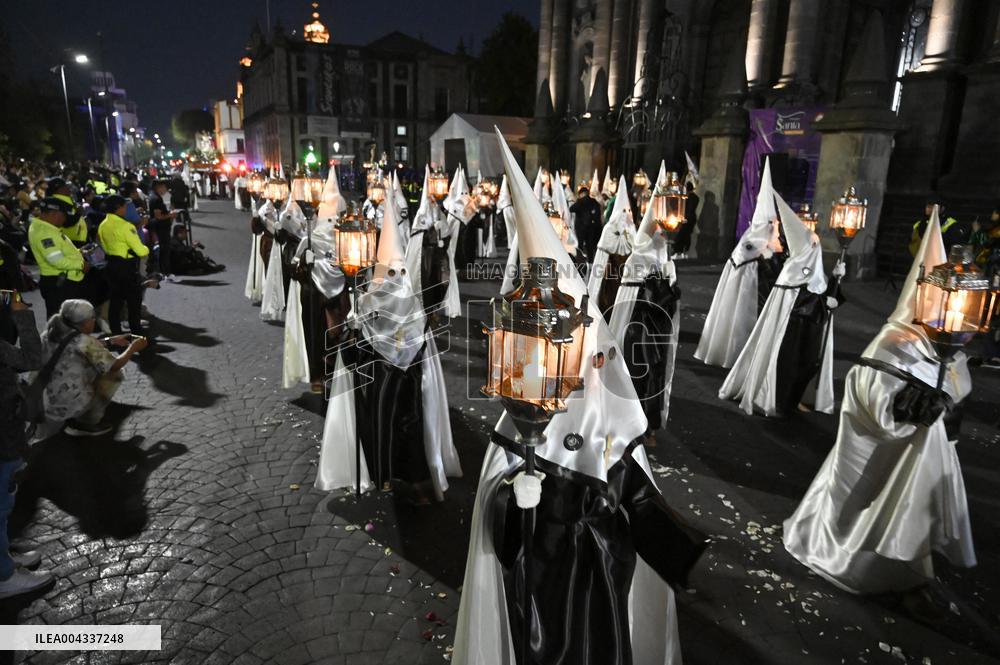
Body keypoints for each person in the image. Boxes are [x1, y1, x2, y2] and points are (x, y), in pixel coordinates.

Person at [453, 133, 706, 665]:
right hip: (546, 584)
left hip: (605, 573)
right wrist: (510, 494)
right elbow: (500, 539)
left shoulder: (607, 405)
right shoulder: (519, 414)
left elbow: (634, 490)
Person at [783, 210, 975, 596]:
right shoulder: (894, 341)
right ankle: (849, 558)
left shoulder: (944, 350)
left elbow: (957, 390)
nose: (948, 312)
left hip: (910, 461)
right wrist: (912, 411)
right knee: (856, 505)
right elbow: (872, 401)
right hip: (868, 458)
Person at [315, 196, 461, 503]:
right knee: (385, 425)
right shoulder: (372, 304)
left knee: (409, 430)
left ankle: (407, 478)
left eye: (399, 274)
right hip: (382, 386)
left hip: (407, 391)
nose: (394, 281)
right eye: (388, 274)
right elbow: (353, 344)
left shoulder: (398, 308)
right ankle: (385, 475)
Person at [719, 194, 843, 418]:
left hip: (809, 330)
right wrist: (825, 301)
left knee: (808, 365)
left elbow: (820, 293)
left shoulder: (811, 269)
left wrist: (834, 280)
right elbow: (799, 301)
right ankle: (783, 402)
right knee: (790, 367)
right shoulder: (794, 269)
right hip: (791, 333)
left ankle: (795, 399)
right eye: (813, 244)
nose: (817, 247)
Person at [609, 170, 681, 445]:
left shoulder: (664, 254)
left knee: (655, 372)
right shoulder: (638, 256)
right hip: (639, 328)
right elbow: (638, 295)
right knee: (640, 371)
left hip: (658, 327)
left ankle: (647, 424)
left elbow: (668, 289)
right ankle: (632, 422)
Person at [694, 158, 779, 368]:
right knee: (741, 323)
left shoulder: (760, 239)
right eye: (772, 223)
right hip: (750, 294)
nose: (775, 226)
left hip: (759, 291)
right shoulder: (752, 241)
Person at [0, 293, 53, 599]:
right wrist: (22, 315)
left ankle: (4, 560)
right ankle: (5, 577)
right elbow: (32, 359)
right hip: (2, 435)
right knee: (1, 503)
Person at [40, 299, 146, 436]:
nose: (94, 320)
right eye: (92, 318)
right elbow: (114, 365)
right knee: (115, 373)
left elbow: (78, 346)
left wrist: (111, 341)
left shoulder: (49, 333)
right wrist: (133, 348)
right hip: (67, 404)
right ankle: (85, 421)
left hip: (48, 399)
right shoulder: (84, 341)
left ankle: (75, 410)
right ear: (84, 322)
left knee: (89, 367)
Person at [28, 197, 88, 317]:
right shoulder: (44, 232)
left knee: (64, 320)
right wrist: (81, 264)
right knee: (60, 322)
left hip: (60, 281)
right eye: (63, 215)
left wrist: (77, 252)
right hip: (58, 284)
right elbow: (56, 260)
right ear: (52, 213)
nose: (65, 219)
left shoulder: (47, 228)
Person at [98, 195, 149, 335]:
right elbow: (140, 250)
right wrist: (146, 249)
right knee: (134, 300)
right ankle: (136, 332)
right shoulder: (126, 226)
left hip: (111, 265)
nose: (126, 208)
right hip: (126, 266)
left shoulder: (103, 225)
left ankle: (116, 333)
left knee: (116, 300)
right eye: (124, 206)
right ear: (118, 208)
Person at [586, 174, 635, 320]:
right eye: (624, 211)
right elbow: (604, 252)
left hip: (626, 274)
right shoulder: (609, 229)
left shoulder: (632, 229)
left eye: (629, 211)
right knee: (608, 303)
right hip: (610, 274)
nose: (627, 214)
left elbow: (634, 249)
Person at [147, 181, 179, 281]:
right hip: (161, 228)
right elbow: (158, 216)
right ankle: (165, 272)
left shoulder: (154, 196)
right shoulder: (156, 199)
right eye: (164, 187)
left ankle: (163, 272)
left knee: (163, 250)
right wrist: (171, 215)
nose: (165, 190)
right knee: (164, 250)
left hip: (160, 227)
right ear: (159, 187)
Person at [569, 185, 603, 261]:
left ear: (581, 194)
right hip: (591, 228)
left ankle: (580, 261)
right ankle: (590, 262)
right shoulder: (594, 202)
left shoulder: (580, 202)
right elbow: (598, 214)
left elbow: (571, 209)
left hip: (580, 229)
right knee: (590, 246)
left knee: (580, 246)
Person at [673, 181, 699, 259]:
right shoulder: (695, 197)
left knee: (682, 235)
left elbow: (689, 209)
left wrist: (685, 217)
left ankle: (679, 251)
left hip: (687, 218)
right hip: (691, 218)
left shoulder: (688, 197)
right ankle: (684, 251)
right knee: (687, 235)